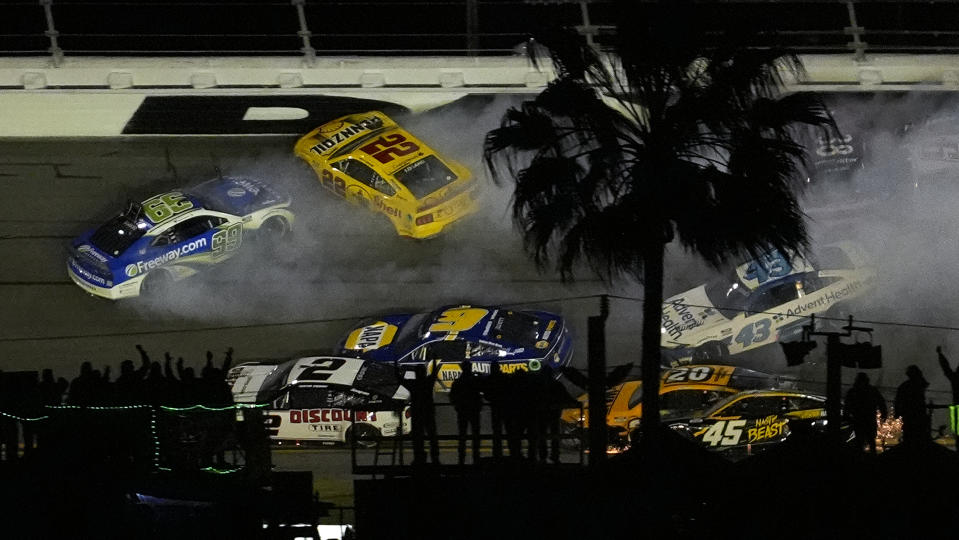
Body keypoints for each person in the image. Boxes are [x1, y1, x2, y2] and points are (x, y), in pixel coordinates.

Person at [402, 359, 440, 465]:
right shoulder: (428, 382)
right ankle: (435, 456)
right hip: (428, 412)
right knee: (432, 435)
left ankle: (419, 457)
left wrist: (396, 365)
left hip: (417, 414)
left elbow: (400, 379)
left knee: (418, 438)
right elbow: (434, 373)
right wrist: (435, 360)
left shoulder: (413, 384)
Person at [449, 359, 483, 465]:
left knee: (462, 435)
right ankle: (476, 458)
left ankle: (461, 459)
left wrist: (457, 406)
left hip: (462, 411)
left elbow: (452, 397)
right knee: (475, 435)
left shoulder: (458, 382)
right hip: (474, 410)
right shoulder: (475, 381)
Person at [844, 372, 888, 453]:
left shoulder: (853, 391)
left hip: (858, 419)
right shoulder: (872, 390)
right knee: (871, 441)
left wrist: (847, 417)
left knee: (859, 441)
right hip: (870, 419)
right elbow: (881, 402)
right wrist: (884, 414)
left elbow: (847, 405)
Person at [894, 364, 930, 446]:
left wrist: (897, 413)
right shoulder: (918, 384)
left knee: (909, 435)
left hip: (908, 414)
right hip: (918, 413)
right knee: (918, 434)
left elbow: (898, 401)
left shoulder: (905, 386)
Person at [936, 346, 959, 449]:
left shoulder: (955, 379)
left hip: (956, 409)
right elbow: (946, 367)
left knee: (957, 434)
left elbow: (946, 367)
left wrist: (940, 355)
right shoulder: (955, 379)